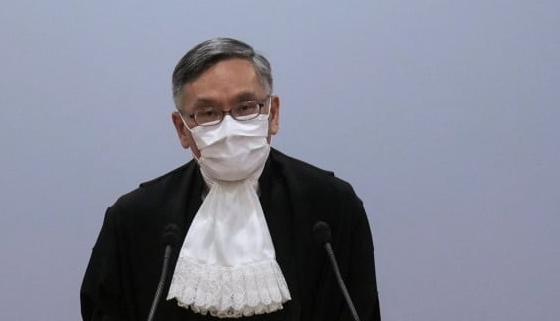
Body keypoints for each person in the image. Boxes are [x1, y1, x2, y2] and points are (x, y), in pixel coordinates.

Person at [81, 37, 381, 320]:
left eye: (245, 108)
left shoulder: (331, 207)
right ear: (182, 129)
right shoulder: (134, 218)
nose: (229, 128)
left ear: (273, 113)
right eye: (208, 113)